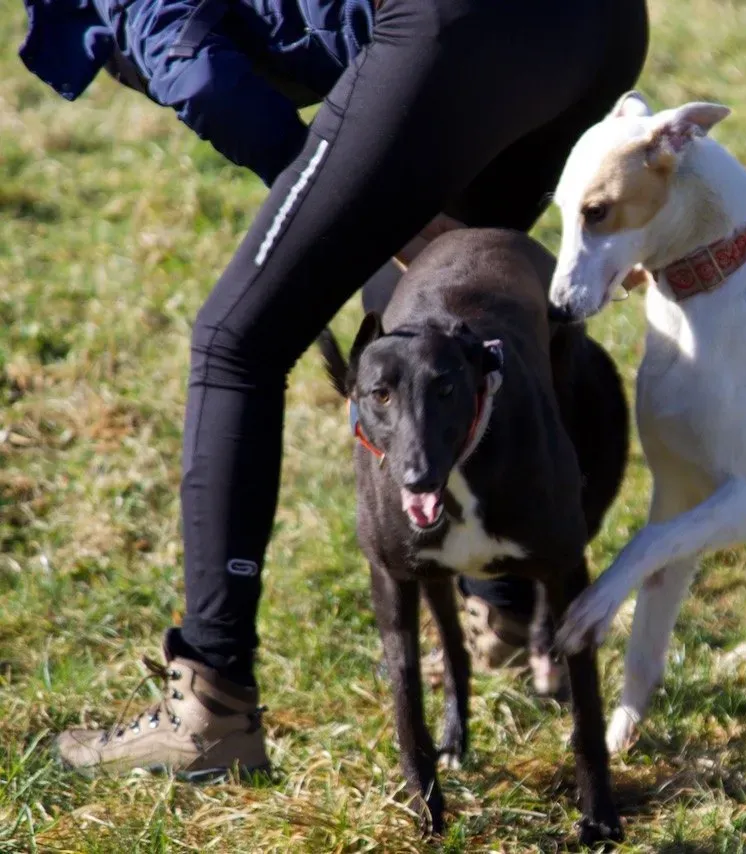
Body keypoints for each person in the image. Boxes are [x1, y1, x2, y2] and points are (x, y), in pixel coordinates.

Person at [21, 0, 648, 777]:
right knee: (462, 303)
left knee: (234, 343)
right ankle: (514, 598)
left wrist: (318, 182)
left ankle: (209, 706)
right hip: (600, 28)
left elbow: (202, 73)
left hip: (461, 28)